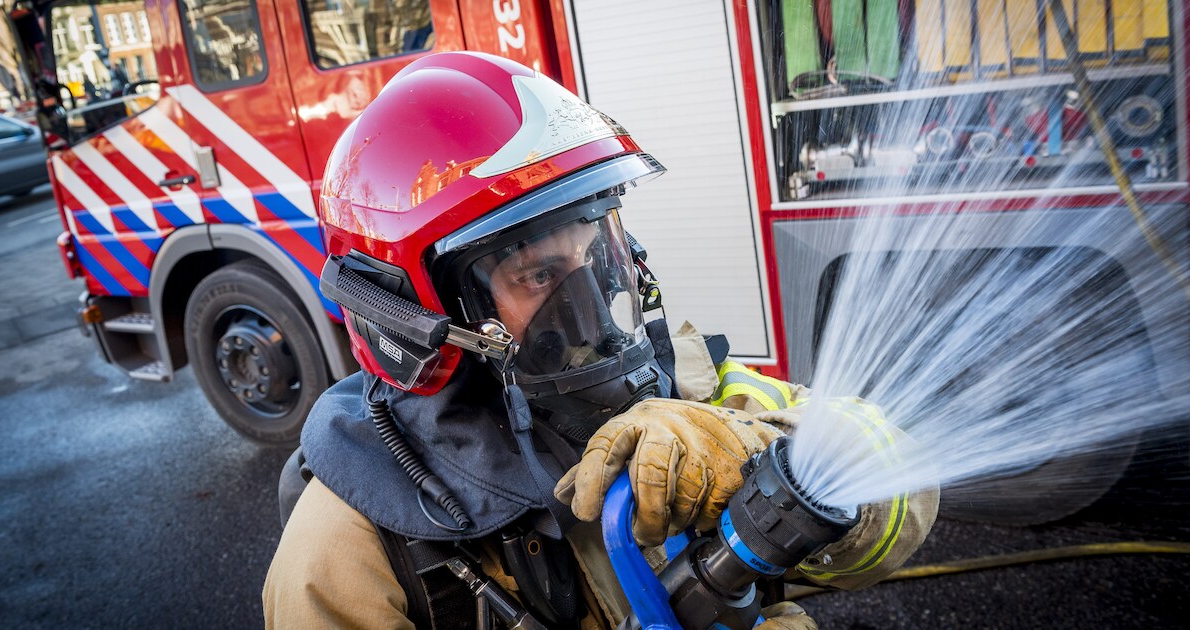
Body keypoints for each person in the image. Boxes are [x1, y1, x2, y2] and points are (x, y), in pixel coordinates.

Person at [263, 52, 938, 630]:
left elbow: (904, 486)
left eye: (598, 253)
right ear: (410, 317)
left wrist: (761, 458)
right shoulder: (339, 565)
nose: (589, 312)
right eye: (538, 274)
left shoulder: (695, 397)